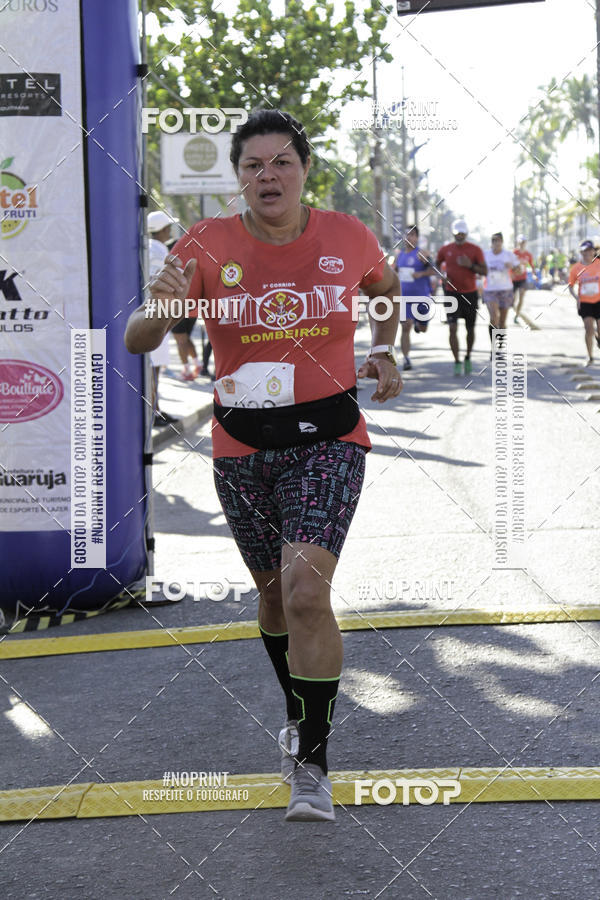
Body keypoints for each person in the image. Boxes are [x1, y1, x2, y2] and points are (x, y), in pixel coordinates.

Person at [125, 109, 402, 822]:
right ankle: (297, 708)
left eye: (281, 162)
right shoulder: (204, 246)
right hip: (242, 446)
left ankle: (312, 761)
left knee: (308, 592)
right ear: (239, 177)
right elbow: (137, 337)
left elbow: (384, 289)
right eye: (253, 165)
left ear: (305, 170)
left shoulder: (347, 234)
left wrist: (386, 347)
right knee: (275, 595)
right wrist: (160, 308)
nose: (267, 175)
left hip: (331, 435)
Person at [436, 219, 487, 375]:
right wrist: (442, 276)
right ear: (453, 233)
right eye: (457, 233)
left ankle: (467, 357)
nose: (460, 236)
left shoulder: (475, 249)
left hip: (470, 294)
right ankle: (457, 361)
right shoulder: (446, 249)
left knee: (470, 329)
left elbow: (484, 271)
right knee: (452, 328)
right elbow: (436, 265)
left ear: (467, 233)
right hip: (452, 294)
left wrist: (470, 265)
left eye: (462, 233)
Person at [147, 211, 178, 427]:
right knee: (154, 366)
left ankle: (154, 409)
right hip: (157, 310)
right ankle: (153, 411)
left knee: (153, 365)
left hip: (150, 310)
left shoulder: (149, 247)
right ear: (163, 230)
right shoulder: (158, 249)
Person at [393, 225, 437, 370]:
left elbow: (434, 271)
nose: (409, 238)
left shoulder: (422, 254)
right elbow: (394, 272)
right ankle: (406, 359)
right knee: (405, 327)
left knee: (423, 329)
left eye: (412, 235)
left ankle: (419, 325)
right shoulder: (400, 255)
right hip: (404, 298)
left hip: (422, 297)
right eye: (407, 235)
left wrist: (421, 274)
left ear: (417, 238)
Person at [483, 232, 518, 357]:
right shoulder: (485, 255)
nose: (496, 243)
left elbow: (519, 269)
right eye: (493, 240)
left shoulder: (508, 255)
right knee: (494, 317)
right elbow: (479, 268)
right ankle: (493, 348)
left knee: (502, 321)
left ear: (502, 242)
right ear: (491, 242)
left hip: (506, 290)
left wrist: (512, 267)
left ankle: (500, 348)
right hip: (490, 290)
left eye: (498, 240)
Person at [568, 239, 600, 366]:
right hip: (585, 302)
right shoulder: (576, 268)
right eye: (584, 251)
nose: (586, 253)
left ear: (593, 251)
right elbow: (570, 285)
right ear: (580, 253)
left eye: (589, 251)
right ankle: (590, 356)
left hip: (599, 300)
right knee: (589, 329)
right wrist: (577, 298)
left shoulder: (598, 264)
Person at [512, 234, 534, 322]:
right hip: (513, 279)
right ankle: (514, 310)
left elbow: (532, 265)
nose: (522, 244)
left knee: (521, 296)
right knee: (512, 300)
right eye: (521, 242)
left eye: (524, 242)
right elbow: (509, 265)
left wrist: (534, 274)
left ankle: (517, 315)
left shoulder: (528, 254)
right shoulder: (514, 253)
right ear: (518, 242)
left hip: (523, 278)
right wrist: (511, 273)